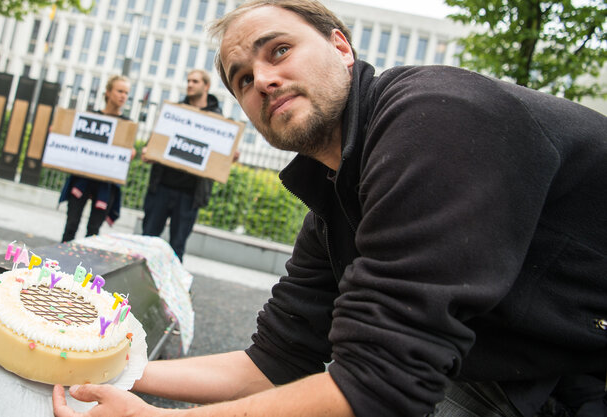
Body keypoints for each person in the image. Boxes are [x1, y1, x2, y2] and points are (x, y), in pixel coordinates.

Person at [52, 1, 607, 416]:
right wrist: (116, 371)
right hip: (514, 371)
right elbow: (273, 362)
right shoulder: (333, 195)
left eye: (279, 50)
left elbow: (378, 384)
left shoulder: (436, 117)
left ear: (342, 48)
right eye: (242, 79)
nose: (263, 80)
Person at [140, 69, 220, 262]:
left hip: (190, 195)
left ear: (206, 86)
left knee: (177, 247)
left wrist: (228, 157)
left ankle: (171, 290)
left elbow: (219, 157)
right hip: (161, 187)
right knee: (147, 241)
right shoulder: (173, 112)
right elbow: (156, 142)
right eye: (188, 81)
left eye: (195, 81)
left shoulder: (219, 121)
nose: (190, 84)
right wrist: (149, 151)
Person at [59, 75, 134, 242]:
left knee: (93, 232)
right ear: (108, 93)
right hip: (82, 179)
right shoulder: (90, 116)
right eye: (120, 91)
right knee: (71, 225)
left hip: (106, 185)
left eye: (127, 93)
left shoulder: (127, 124)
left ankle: (85, 266)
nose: (123, 96)